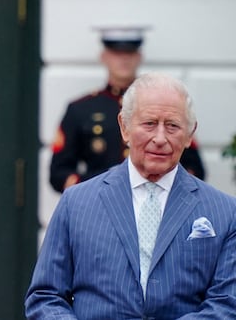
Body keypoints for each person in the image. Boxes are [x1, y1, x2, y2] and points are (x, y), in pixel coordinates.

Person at [26, 72, 236, 318]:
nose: (160, 138)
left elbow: (226, 304)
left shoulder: (224, 212)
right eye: (149, 124)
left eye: (172, 126)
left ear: (190, 134)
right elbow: (46, 297)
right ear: (124, 127)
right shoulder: (76, 203)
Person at [49, 26, 206, 193]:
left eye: (129, 53)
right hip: (100, 200)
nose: (123, 59)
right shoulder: (80, 109)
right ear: (103, 57)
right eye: (116, 53)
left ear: (139, 57)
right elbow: (59, 172)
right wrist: (92, 189)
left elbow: (194, 168)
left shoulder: (164, 105)